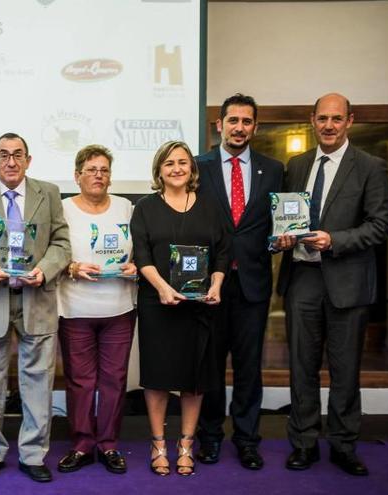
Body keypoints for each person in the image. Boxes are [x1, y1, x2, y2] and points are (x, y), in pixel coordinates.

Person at [274, 93, 388, 477]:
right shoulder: (297, 164)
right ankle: (304, 443)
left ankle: (343, 445)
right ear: (312, 120)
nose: (328, 125)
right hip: (303, 279)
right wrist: (284, 238)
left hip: (348, 282)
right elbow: (286, 218)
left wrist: (335, 240)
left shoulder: (371, 166)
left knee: (345, 370)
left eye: (336, 119)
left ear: (350, 121)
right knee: (301, 367)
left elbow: (380, 225)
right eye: (322, 118)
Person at [0, 132, 71, 483]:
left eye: (18, 154)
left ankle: (33, 453)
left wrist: (45, 269)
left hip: (36, 298)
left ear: (28, 160)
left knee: (37, 382)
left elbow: (62, 243)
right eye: (3, 155)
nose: (11, 161)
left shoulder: (48, 193)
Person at [195, 94, 284, 470]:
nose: (239, 128)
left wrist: (283, 238)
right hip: (209, 284)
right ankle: (210, 437)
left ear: (255, 127)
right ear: (220, 125)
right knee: (210, 365)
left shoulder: (274, 169)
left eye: (247, 122)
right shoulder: (198, 167)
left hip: (252, 283)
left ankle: (247, 440)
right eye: (233, 120)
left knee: (249, 367)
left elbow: (278, 222)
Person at [130, 140, 229, 476]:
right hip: (158, 303)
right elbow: (142, 255)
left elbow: (223, 253)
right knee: (157, 378)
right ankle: (158, 443)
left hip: (199, 308)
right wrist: (162, 288)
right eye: (169, 163)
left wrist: (215, 285)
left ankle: (186, 443)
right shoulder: (145, 207)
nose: (176, 168)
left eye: (183, 163)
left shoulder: (210, 206)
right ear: (159, 170)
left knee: (194, 379)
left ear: (192, 169)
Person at [56, 145, 137, 475]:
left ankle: (109, 445)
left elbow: (141, 247)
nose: (98, 175)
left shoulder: (126, 207)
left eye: (104, 170)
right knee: (80, 381)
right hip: (75, 307)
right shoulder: (61, 210)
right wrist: (72, 266)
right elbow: (50, 251)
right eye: (91, 169)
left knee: (115, 381)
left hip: (118, 308)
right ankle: (81, 444)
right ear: (77, 176)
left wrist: (136, 266)